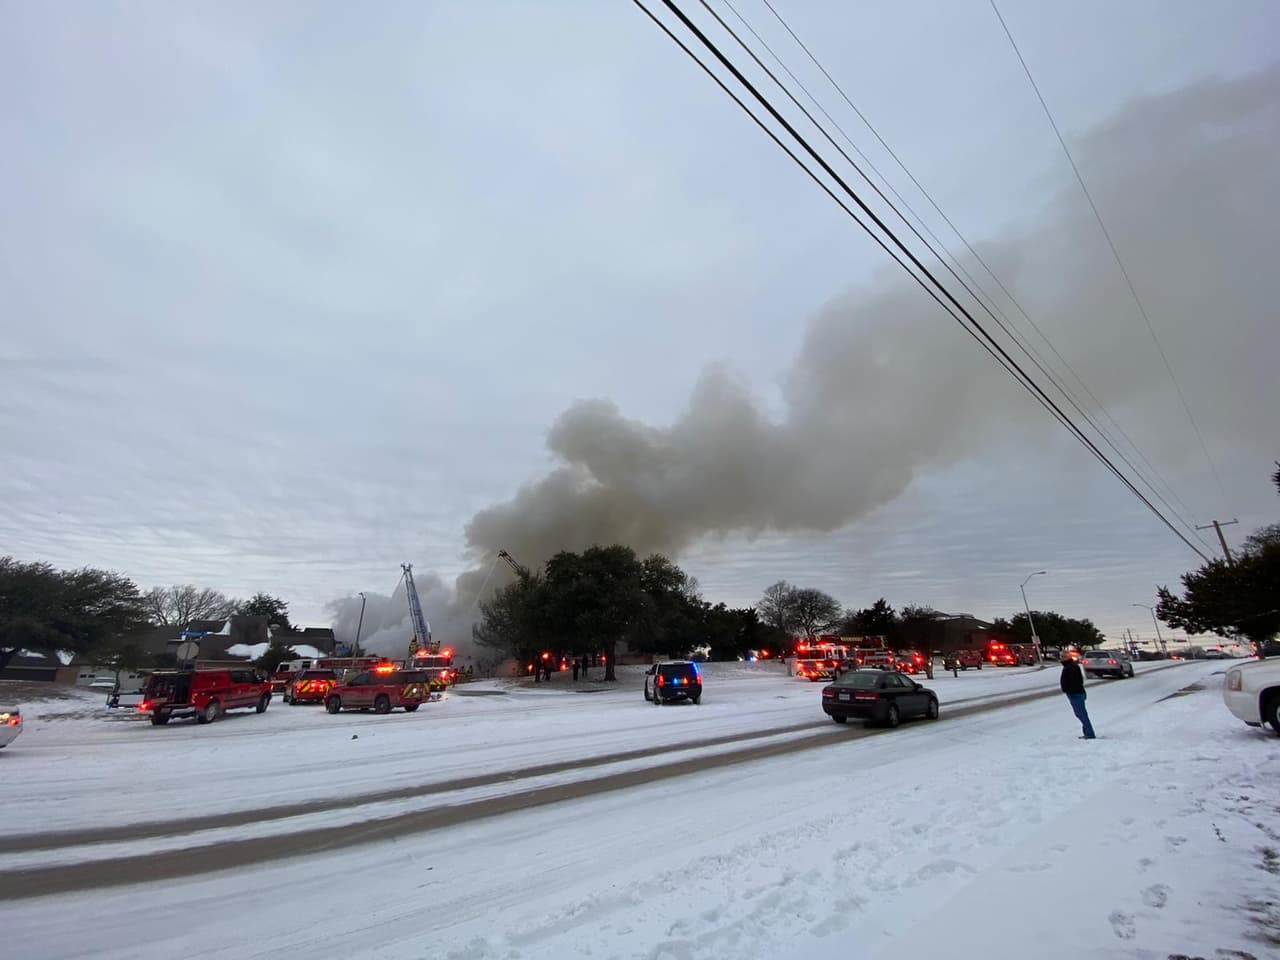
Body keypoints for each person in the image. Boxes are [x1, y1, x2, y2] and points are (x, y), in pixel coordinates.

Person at [1060, 651, 1096, 739]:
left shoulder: (1071, 667)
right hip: (1075, 693)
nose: (1061, 658)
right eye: (1061, 656)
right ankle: (1087, 732)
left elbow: (1076, 681)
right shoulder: (1069, 666)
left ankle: (1089, 733)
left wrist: (1069, 689)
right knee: (1080, 714)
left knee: (1081, 714)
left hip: (1076, 694)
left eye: (1063, 656)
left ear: (1067, 657)